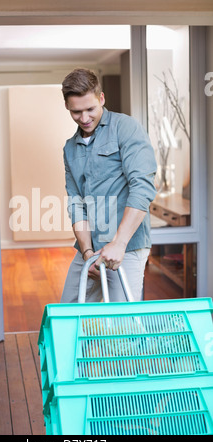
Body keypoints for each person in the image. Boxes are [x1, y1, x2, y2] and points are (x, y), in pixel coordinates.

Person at [60, 68, 157, 304]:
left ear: (101, 98)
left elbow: (142, 187)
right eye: (76, 112)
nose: (84, 118)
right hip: (91, 248)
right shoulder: (70, 148)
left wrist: (119, 243)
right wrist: (86, 253)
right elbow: (76, 203)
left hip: (128, 246)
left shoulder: (126, 128)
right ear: (67, 107)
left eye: (90, 109)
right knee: (68, 315)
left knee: (123, 325)